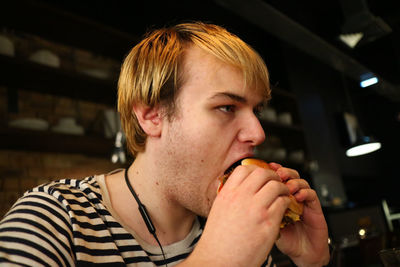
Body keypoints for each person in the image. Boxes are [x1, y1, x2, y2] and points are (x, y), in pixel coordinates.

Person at [0, 22, 330, 266]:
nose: (258, 133)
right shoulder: (52, 220)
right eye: (226, 107)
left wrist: (310, 264)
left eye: (255, 110)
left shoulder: (237, 226)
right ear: (152, 115)